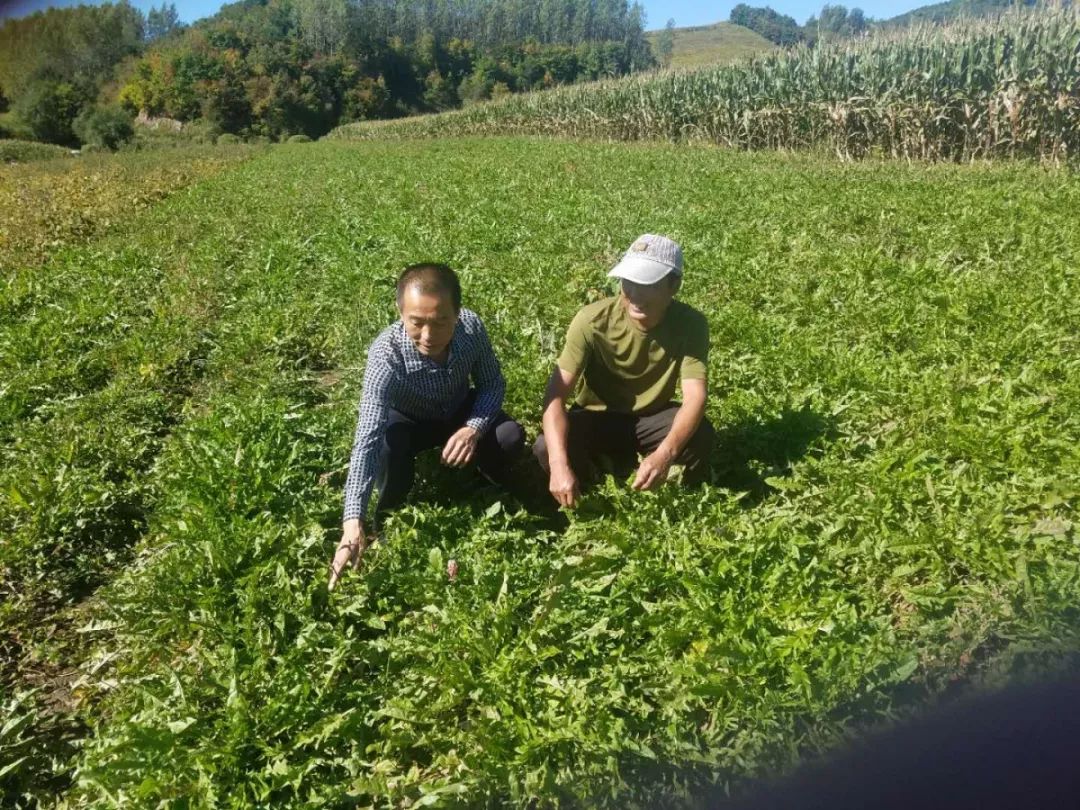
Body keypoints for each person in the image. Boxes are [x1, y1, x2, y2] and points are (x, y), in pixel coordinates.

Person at [328, 263, 525, 590]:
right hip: (409, 418)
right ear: (400, 311)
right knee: (388, 447)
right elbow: (367, 437)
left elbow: (492, 384)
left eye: (441, 322)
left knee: (509, 436)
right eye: (416, 323)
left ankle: (491, 484)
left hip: (458, 410)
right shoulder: (385, 355)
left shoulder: (472, 330)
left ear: (458, 313)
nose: (429, 336)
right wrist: (351, 523)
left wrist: (473, 428)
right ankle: (385, 518)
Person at [534, 234, 714, 507]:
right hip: (596, 417)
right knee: (546, 448)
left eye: (648, 284)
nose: (635, 295)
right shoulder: (592, 320)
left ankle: (639, 474)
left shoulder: (691, 325)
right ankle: (598, 481)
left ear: (674, 285)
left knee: (701, 435)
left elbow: (695, 396)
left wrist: (665, 454)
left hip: (651, 418)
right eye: (627, 282)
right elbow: (555, 396)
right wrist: (559, 465)